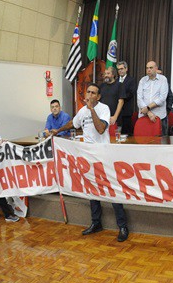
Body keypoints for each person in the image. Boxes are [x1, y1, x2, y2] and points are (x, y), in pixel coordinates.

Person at [52, 84, 129, 242]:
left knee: (112, 191)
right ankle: (96, 223)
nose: (89, 95)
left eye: (93, 93)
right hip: (88, 156)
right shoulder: (82, 111)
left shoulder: (104, 109)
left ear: (98, 97)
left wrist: (92, 109)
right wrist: (58, 131)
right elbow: (73, 123)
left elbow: (101, 129)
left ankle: (122, 226)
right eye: (88, 92)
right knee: (92, 191)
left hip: (103, 156)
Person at [137, 60, 169, 135]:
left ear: (156, 68)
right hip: (144, 116)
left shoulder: (163, 79)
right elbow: (139, 98)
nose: (148, 70)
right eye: (147, 68)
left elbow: (162, 98)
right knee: (143, 140)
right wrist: (148, 112)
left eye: (151, 68)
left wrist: (148, 108)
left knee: (162, 140)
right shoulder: (142, 80)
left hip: (159, 116)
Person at [117, 61, 137, 135]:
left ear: (126, 69)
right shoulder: (116, 80)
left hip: (126, 111)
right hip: (117, 112)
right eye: (118, 69)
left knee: (126, 134)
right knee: (116, 133)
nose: (120, 71)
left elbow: (131, 93)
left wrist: (120, 98)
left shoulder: (131, 80)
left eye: (122, 69)